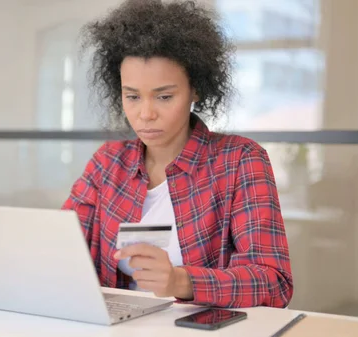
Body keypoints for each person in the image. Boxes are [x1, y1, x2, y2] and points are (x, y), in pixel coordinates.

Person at [62, 0, 293, 308]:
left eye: (165, 96)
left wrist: (180, 281)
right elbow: (60, 249)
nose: (145, 114)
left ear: (194, 89)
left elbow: (274, 282)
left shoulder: (241, 161)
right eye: (132, 96)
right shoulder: (108, 163)